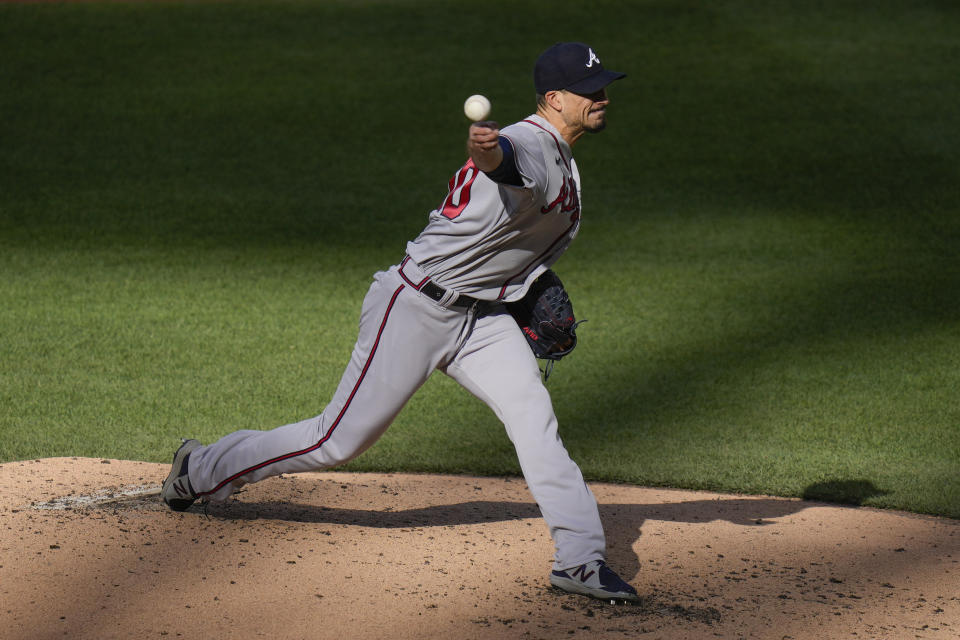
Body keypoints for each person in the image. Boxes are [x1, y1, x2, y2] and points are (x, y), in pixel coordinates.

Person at [162, 42, 637, 602]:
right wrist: (488, 152)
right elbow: (503, 161)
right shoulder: (530, 141)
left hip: (480, 316)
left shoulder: (560, 151)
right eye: (590, 90)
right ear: (554, 99)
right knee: (336, 441)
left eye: (603, 86)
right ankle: (199, 468)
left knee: (534, 418)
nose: (602, 97)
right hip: (414, 307)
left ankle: (580, 560)